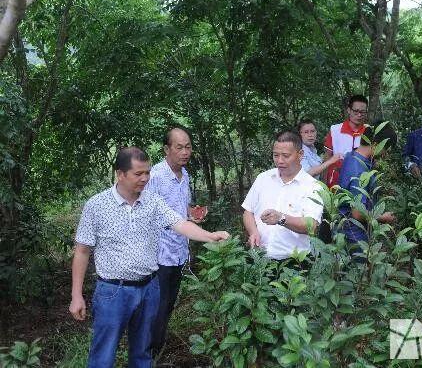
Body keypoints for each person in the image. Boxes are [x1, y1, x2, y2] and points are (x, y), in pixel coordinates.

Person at [69, 147, 229, 368]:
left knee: (143, 353)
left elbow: (179, 224)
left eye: (147, 173)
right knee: (103, 355)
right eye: (138, 174)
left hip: (149, 289)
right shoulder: (96, 206)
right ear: (120, 174)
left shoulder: (152, 201)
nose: (145, 179)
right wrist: (76, 295)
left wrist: (210, 237)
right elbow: (82, 251)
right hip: (112, 291)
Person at [144, 127, 200, 356]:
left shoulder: (184, 175)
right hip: (159, 254)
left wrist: (191, 214)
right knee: (157, 307)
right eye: (179, 147)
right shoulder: (154, 176)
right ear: (167, 149)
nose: (185, 152)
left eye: (188, 147)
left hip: (178, 251)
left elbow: (178, 210)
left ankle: (155, 348)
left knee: (167, 305)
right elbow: (146, 212)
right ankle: (147, 352)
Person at [242, 131, 323, 260]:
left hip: (294, 262)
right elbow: (248, 211)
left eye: (285, 156)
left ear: (300, 154)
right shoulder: (263, 178)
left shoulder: (312, 186)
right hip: (259, 258)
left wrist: (281, 218)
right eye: (276, 155)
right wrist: (253, 232)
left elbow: (312, 226)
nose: (279, 161)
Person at [338, 122, 398, 246]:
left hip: (349, 229)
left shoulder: (351, 156)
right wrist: (382, 217)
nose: (385, 154)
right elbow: (357, 213)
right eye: (385, 149)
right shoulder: (360, 171)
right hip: (354, 235)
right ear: (375, 145)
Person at [323, 95, 368, 187]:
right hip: (336, 182)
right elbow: (327, 157)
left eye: (362, 112)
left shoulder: (369, 132)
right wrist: (323, 183)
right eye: (356, 111)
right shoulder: (335, 130)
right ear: (349, 110)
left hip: (360, 183)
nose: (359, 115)